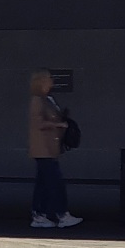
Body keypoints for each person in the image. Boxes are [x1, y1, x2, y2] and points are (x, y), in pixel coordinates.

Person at [28, 68, 82, 229]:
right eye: (49, 79)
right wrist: (59, 124)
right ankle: (61, 214)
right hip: (43, 149)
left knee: (44, 184)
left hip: (50, 149)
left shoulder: (48, 99)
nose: (52, 81)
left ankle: (40, 215)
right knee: (55, 183)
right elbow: (37, 123)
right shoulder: (38, 101)